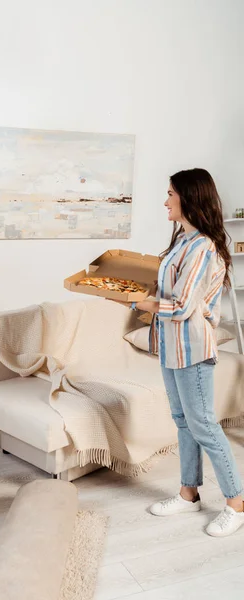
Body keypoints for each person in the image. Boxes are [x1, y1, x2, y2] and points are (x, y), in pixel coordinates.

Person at [117, 168, 243, 537]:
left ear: (189, 197)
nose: (165, 200)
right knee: (184, 422)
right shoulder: (182, 242)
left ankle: (236, 502)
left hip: (193, 349)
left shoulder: (203, 246)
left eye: (170, 193)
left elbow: (184, 306)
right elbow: (165, 293)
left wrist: (142, 301)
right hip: (171, 349)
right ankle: (189, 493)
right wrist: (134, 295)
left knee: (203, 424)